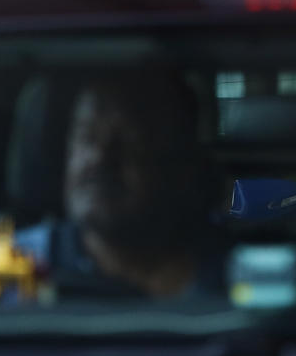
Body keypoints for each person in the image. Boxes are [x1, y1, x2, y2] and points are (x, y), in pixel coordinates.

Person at [60, 76, 220, 297]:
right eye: (87, 137)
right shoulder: (13, 263)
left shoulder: (237, 273)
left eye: (128, 140)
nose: (99, 157)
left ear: (179, 163)